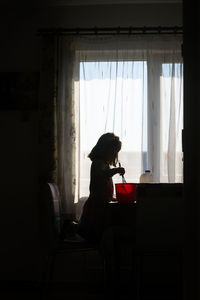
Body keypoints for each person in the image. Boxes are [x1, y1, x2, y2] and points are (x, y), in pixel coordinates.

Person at [77, 132, 125, 245]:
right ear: (104, 150)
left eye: (116, 152)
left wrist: (111, 197)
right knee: (98, 237)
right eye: (113, 151)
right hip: (96, 208)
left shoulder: (104, 164)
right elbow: (100, 176)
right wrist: (116, 170)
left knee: (102, 237)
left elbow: (102, 186)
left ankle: (104, 257)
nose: (114, 155)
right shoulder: (98, 163)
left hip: (101, 206)